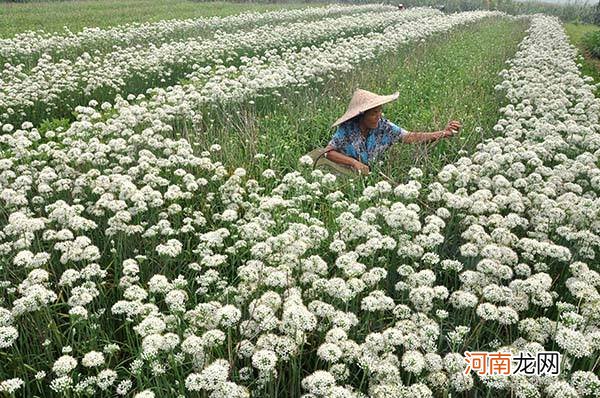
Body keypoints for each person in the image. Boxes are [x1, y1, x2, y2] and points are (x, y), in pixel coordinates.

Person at [307, 88, 461, 176]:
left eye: (379, 112)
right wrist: (354, 162)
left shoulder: (383, 126)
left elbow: (409, 137)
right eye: (374, 113)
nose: (379, 116)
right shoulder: (347, 128)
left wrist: (442, 133)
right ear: (362, 116)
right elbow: (328, 152)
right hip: (341, 170)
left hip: (364, 175)